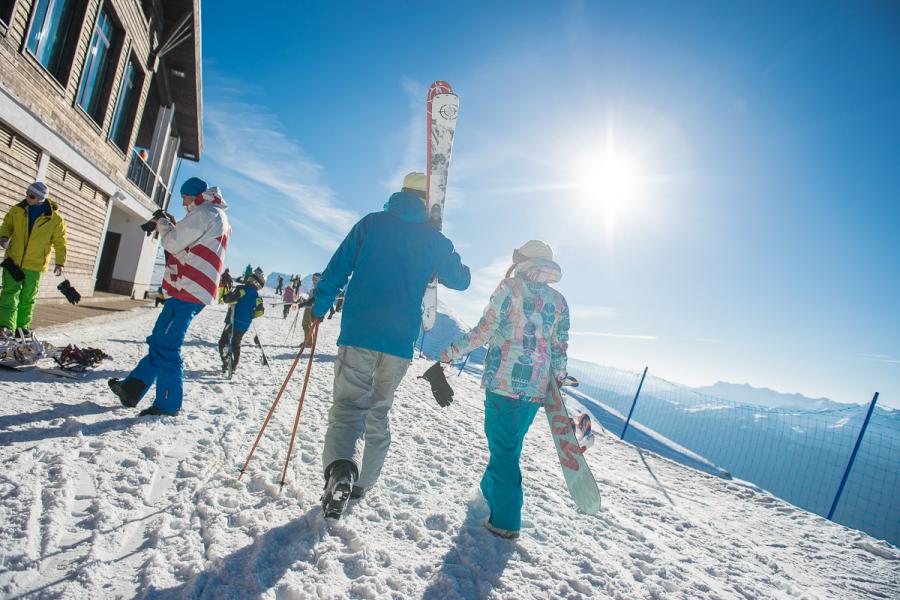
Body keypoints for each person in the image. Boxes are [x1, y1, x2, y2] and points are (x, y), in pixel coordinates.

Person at [312, 171, 470, 519]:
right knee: (378, 410)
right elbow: (462, 280)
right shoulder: (433, 239)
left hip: (360, 330)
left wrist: (319, 308)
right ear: (427, 203)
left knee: (349, 407)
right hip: (399, 340)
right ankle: (362, 482)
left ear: (400, 194)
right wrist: (439, 240)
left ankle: (341, 471)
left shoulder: (371, 224)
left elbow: (337, 268)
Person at [438, 240, 569, 539]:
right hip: (535, 390)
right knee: (509, 446)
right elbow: (560, 347)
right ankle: (488, 493)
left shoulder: (510, 288)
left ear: (523, 260)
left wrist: (450, 352)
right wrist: (557, 379)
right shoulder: (559, 301)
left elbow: (485, 330)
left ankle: (506, 521)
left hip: (504, 384)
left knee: (504, 450)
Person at [108, 178, 230, 417]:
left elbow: (174, 242)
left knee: (167, 345)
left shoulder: (206, 213)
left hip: (190, 290)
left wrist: (163, 223)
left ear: (195, 194)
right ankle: (131, 390)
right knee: (159, 340)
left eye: (184, 197)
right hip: (188, 288)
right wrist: (171, 224)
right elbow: (189, 241)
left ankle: (168, 404)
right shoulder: (210, 213)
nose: (183, 202)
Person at [0, 181, 67, 337]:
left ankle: (21, 329)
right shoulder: (17, 210)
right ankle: (5, 327)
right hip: (13, 261)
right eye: (27, 193)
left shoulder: (55, 220)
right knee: (9, 293)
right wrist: (3, 237)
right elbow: (6, 225)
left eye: (31, 196)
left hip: (35, 266)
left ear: (40, 198)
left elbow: (60, 242)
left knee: (27, 298)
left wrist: (60, 262)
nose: (27, 197)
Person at [219, 271, 265, 373]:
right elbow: (260, 312)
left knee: (223, 341)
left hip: (232, 321)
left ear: (253, 281)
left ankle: (226, 361)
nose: (248, 280)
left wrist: (227, 296)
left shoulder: (242, 290)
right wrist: (250, 316)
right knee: (236, 343)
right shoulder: (258, 297)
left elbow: (231, 300)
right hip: (244, 325)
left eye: (250, 279)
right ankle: (234, 365)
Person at [301, 272, 321, 343]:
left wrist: (305, 303)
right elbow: (310, 299)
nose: (313, 280)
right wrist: (304, 301)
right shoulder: (314, 288)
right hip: (308, 307)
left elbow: (314, 300)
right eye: (313, 278)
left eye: (315, 279)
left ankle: (308, 342)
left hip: (310, 308)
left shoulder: (318, 288)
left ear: (319, 279)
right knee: (306, 324)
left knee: (306, 324)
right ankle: (308, 341)